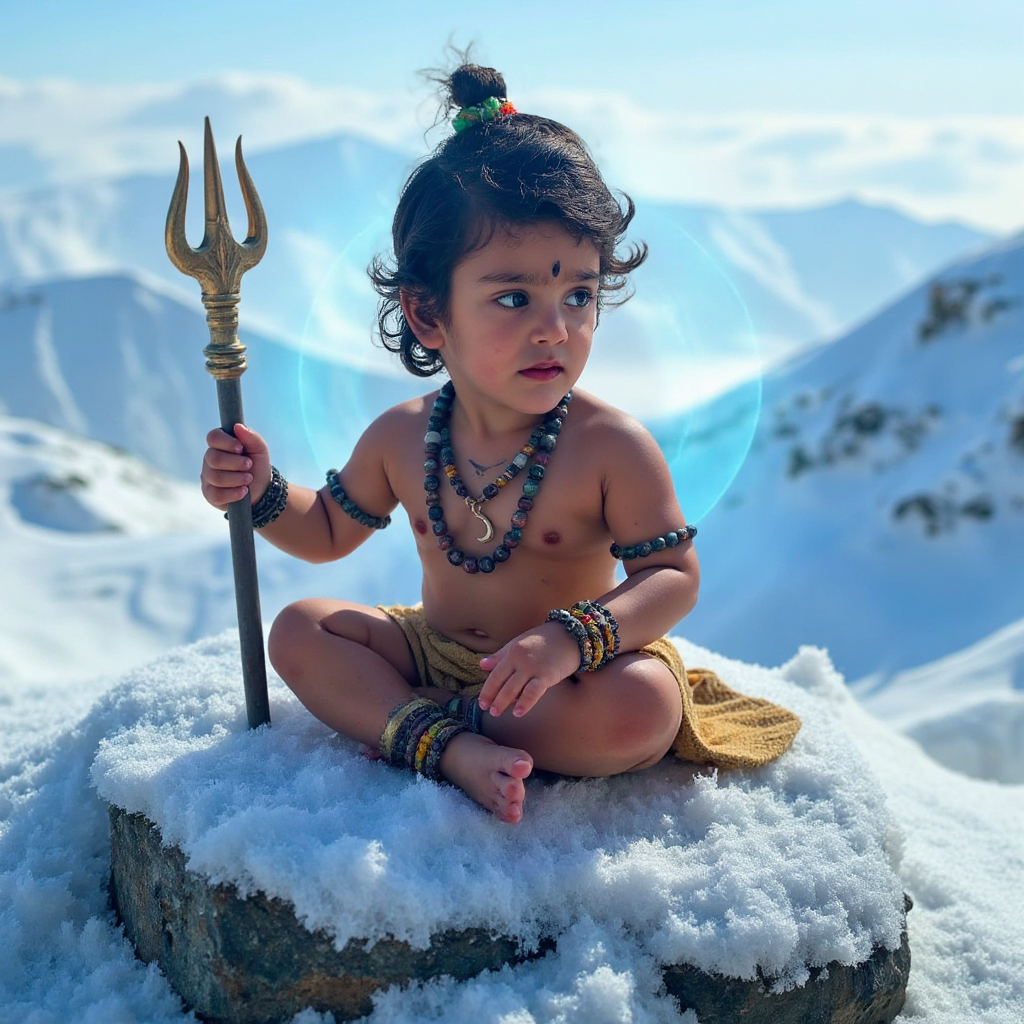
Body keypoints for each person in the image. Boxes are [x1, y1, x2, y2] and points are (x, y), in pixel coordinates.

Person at [201, 63, 800, 824]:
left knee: (643, 709)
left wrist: (566, 642)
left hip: (570, 674)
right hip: (439, 649)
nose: (556, 326)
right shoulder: (402, 435)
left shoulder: (612, 446)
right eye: (514, 298)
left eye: (578, 295)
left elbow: (672, 576)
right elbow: (325, 533)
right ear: (426, 313)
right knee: (301, 628)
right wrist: (260, 490)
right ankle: (450, 741)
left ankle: (409, 722)